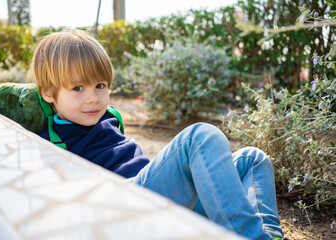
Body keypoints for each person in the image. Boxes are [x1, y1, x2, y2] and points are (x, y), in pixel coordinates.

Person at [31, 29, 286, 240]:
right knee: (200, 138)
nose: (93, 98)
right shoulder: (50, 141)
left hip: (159, 196)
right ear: (49, 93)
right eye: (77, 88)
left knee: (253, 158)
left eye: (100, 85)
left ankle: (270, 235)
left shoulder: (108, 118)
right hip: (128, 209)